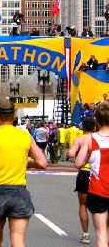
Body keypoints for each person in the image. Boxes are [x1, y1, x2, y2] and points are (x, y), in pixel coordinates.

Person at [0, 100, 47, 247]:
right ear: (14, 116)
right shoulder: (25, 136)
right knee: (18, 240)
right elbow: (42, 163)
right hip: (19, 192)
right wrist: (26, 161)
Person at [75, 103, 109, 247]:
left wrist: (90, 156)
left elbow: (78, 163)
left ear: (97, 121)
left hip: (99, 189)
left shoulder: (90, 139)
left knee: (101, 235)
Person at [68, 117, 96, 245]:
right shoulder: (99, 139)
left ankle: (86, 235)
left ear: (82, 127)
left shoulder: (79, 139)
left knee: (83, 205)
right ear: (95, 127)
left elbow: (70, 154)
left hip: (84, 173)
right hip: (98, 174)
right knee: (102, 205)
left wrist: (74, 151)